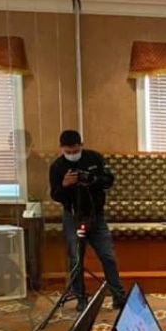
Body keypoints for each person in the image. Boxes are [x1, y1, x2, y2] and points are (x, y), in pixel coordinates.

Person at [49, 130, 126, 311]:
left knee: (108, 256)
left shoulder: (95, 158)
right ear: (62, 149)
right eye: (68, 151)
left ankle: (118, 296)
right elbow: (55, 195)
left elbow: (109, 180)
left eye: (75, 150)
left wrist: (93, 179)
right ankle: (81, 298)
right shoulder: (57, 167)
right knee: (76, 259)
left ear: (81, 145)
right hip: (73, 216)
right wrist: (64, 185)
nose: (72, 154)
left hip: (96, 216)